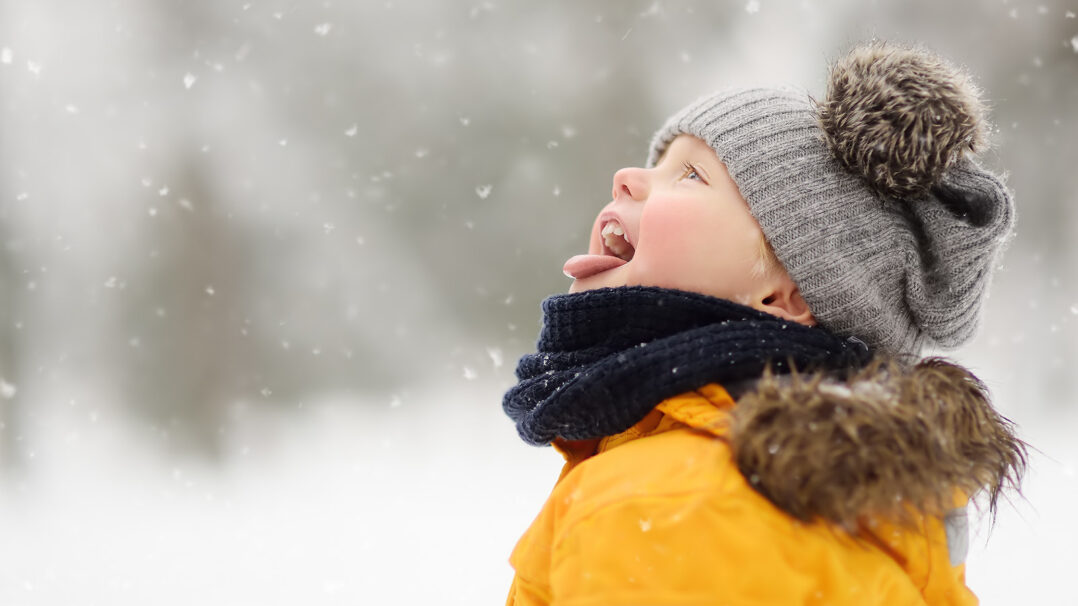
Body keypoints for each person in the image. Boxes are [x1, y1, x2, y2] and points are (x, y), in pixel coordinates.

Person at [502, 41, 1027, 605]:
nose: (626, 177)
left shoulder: (673, 503)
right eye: (658, 163)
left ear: (784, 297)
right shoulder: (792, 498)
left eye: (691, 175)